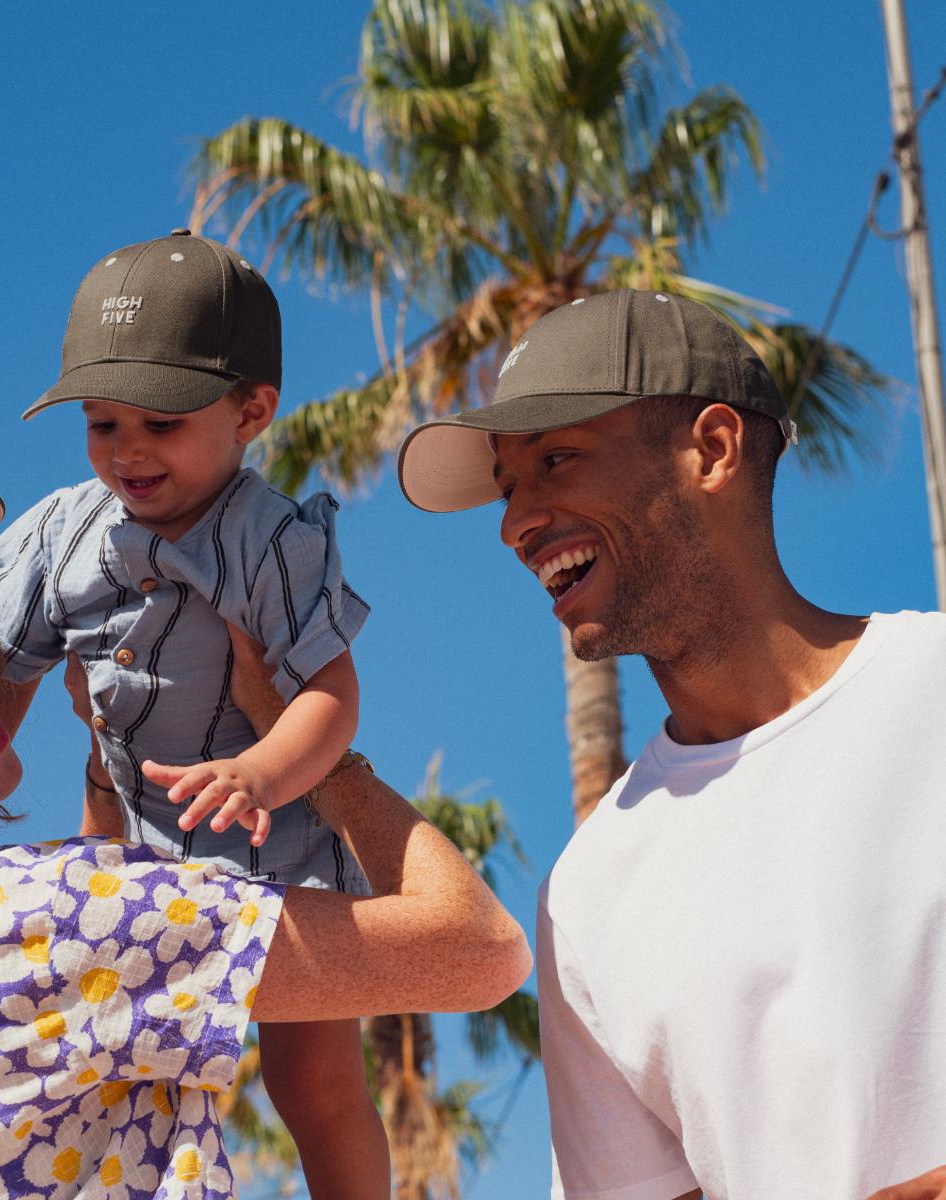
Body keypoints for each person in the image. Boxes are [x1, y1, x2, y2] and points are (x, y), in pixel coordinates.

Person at [0, 478, 531, 1200]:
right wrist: (317, 759)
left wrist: (101, 771)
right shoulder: (61, 919)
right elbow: (480, 950)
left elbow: (50, 1022)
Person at [397, 289, 946, 1200]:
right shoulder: (586, 893)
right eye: (507, 486)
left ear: (714, 450)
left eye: (557, 460)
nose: (514, 523)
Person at [0, 231, 383, 1194]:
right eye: (104, 424)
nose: (129, 451)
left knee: (314, 1082)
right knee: (116, 1082)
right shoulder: (64, 531)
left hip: (281, 851)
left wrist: (260, 773)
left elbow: (332, 694)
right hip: (135, 860)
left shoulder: (273, 540)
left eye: (161, 421)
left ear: (252, 411)